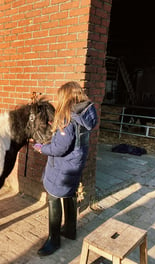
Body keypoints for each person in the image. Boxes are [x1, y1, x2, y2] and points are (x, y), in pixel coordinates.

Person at [33, 81, 98, 256]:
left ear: (67, 97)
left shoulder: (67, 118)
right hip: (75, 163)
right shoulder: (85, 113)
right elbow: (71, 137)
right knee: (69, 193)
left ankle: (53, 240)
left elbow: (59, 148)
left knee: (54, 198)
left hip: (63, 166)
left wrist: (41, 148)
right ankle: (70, 229)